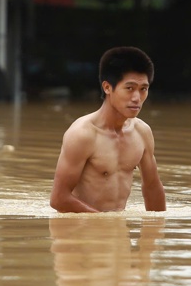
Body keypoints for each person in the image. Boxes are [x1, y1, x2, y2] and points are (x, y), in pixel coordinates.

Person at [50, 46, 166, 213]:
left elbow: (152, 188)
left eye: (143, 89)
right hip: (82, 234)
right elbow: (59, 198)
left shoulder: (142, 132)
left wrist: (156, 234)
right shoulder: (82, 134)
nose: (137, 98)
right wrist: (105, 224)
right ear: (107, 87)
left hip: (118, 233)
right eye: (129, 88)